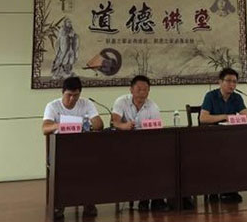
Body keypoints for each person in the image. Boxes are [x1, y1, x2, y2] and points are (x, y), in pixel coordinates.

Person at [42, 77, 103, 219]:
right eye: (69, 95)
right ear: (62, 92)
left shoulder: (86, 103)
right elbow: (45, 129)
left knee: (92, 165)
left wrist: (90, 122)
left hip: (83, 149)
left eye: (76, 95)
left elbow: (99, 125)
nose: (72, 99)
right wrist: (59, 125)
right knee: (63, 168)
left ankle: (88, 201)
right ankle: (59, 204)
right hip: (60, 150)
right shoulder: (53, 106)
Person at [111, 75, 167, 212]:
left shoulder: (153, 106)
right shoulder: (121, 102)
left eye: (145, 90)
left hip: (146, 146)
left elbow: (157, 131)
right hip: (124, 145)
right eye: (139, 89)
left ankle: (155, 199)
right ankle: (144, 198)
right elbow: (114, 122)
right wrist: (124, 126)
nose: (142, 93)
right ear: (131, 90)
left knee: (157, 161)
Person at [199, 67, 247, 203]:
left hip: (231, 137)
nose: (232, 85)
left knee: (237, 154)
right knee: (217, 156)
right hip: (211, 138)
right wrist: (225, 116)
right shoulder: (211, 96)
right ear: (220, 82)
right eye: (228, 81)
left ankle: (230, 188)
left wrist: (233, 118)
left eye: (234, 82)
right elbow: (203, 118)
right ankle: (214, 189)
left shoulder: (236, 97)